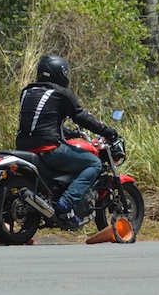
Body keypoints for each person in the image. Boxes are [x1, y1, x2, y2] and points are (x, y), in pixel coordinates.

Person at [16, 54, 118, 226]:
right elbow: (81, 117)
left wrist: (67, 133)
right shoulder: (61, 93)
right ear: (60, 73)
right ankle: (65, 204)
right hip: (49, 149)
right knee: (94, 164)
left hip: (23, 147)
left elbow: (41, 121)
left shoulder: (27, 91)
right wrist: (106, 131)